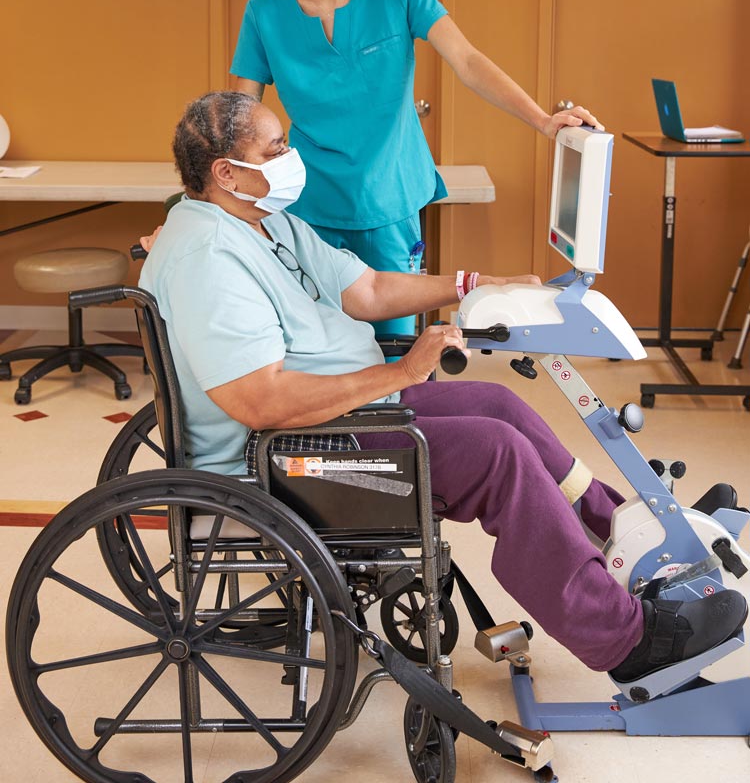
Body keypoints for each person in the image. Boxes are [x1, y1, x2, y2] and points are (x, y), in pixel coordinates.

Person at [140, 90, 746, 683]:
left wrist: (475, 284)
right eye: (276, 149)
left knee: (497, 404)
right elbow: (260, 402)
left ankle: (626, 529)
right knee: (496, 455)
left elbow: (369, 290)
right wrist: (403, 372)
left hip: (344, 415)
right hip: (288, 458)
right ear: (226, 171)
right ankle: (624, 638)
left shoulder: (263, 223)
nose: (290, 157)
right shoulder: (208, 257)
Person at [230, 0, 603, 335]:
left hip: (390, 196)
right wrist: (206, 207)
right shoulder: (264, 12)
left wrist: (545, 121)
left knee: (397, 352)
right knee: (316, 346)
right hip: (308, 201)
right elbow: (238, 118)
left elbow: (466, 60)